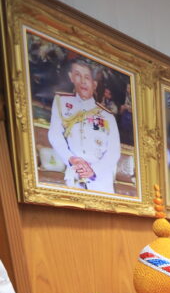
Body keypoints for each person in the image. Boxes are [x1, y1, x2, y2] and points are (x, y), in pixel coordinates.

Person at [46, 57, 120, 193]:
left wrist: (93, 170)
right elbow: (55, 134)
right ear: (71, 77)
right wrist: (71, 158)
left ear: (94, 84)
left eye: (87, 77)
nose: (83, 81)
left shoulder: (107, 116)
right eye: (78, 75)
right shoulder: (62, 103)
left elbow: (114, 152)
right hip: (74, 175)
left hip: (101, 180)